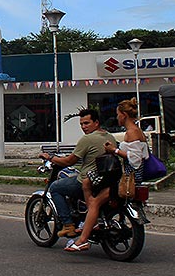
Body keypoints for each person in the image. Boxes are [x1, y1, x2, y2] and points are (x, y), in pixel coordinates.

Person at [66, 98, 147, 252]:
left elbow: (135, 160)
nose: (117, 117)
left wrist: (114, 151)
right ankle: (92, 220)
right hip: (130, 177)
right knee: (88, 183)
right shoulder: (137, 131)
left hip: (127, 178)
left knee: (94, 199)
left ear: (124, 115)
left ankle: (83, 238)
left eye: (118, 114)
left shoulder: (132, 132)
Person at [38, 107, 114, 239]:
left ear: (96, 123)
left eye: (87, 123)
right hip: (105, 179)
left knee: (55, 187)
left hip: (88, 179)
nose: (83, 127)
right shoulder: (109, 136)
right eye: (81, 124)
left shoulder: (87, 139)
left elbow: (69, 161)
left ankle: (68, 225)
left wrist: (50, 157)